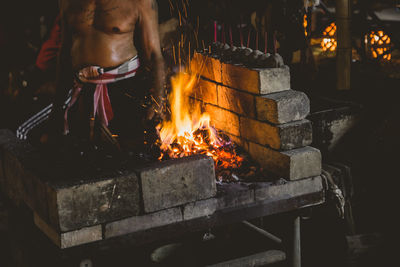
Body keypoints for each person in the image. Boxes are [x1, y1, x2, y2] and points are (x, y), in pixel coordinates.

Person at [18, 0, 166, 152]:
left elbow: (154, 55)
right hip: (81, 89)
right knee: (81, 155)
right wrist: (57, 107)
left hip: (124, 91)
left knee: (127, 156)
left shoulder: (141, 2)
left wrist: (157, 102)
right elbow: (65, 54)